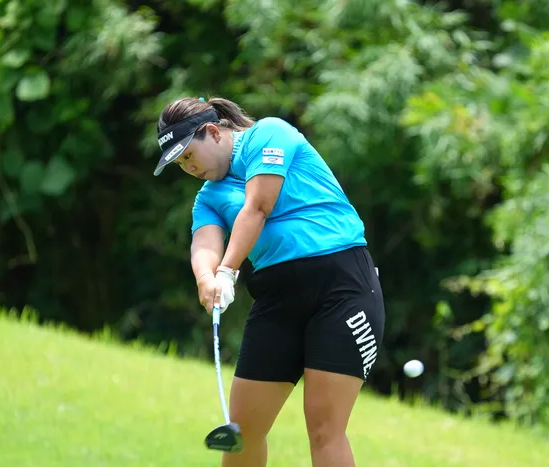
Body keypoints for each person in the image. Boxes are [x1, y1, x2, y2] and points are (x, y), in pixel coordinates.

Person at [153, 96, 385, 467]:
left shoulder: (269, 134)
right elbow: (205, 244)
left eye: (189, 155)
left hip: (342, 289)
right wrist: (206, 279)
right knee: (242, 432)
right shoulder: (208, 198)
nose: (188, 167)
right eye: (180, 163)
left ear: (213, 132)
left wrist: (227, 271)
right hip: (277, 301)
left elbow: (258, 207)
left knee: (324, 429)